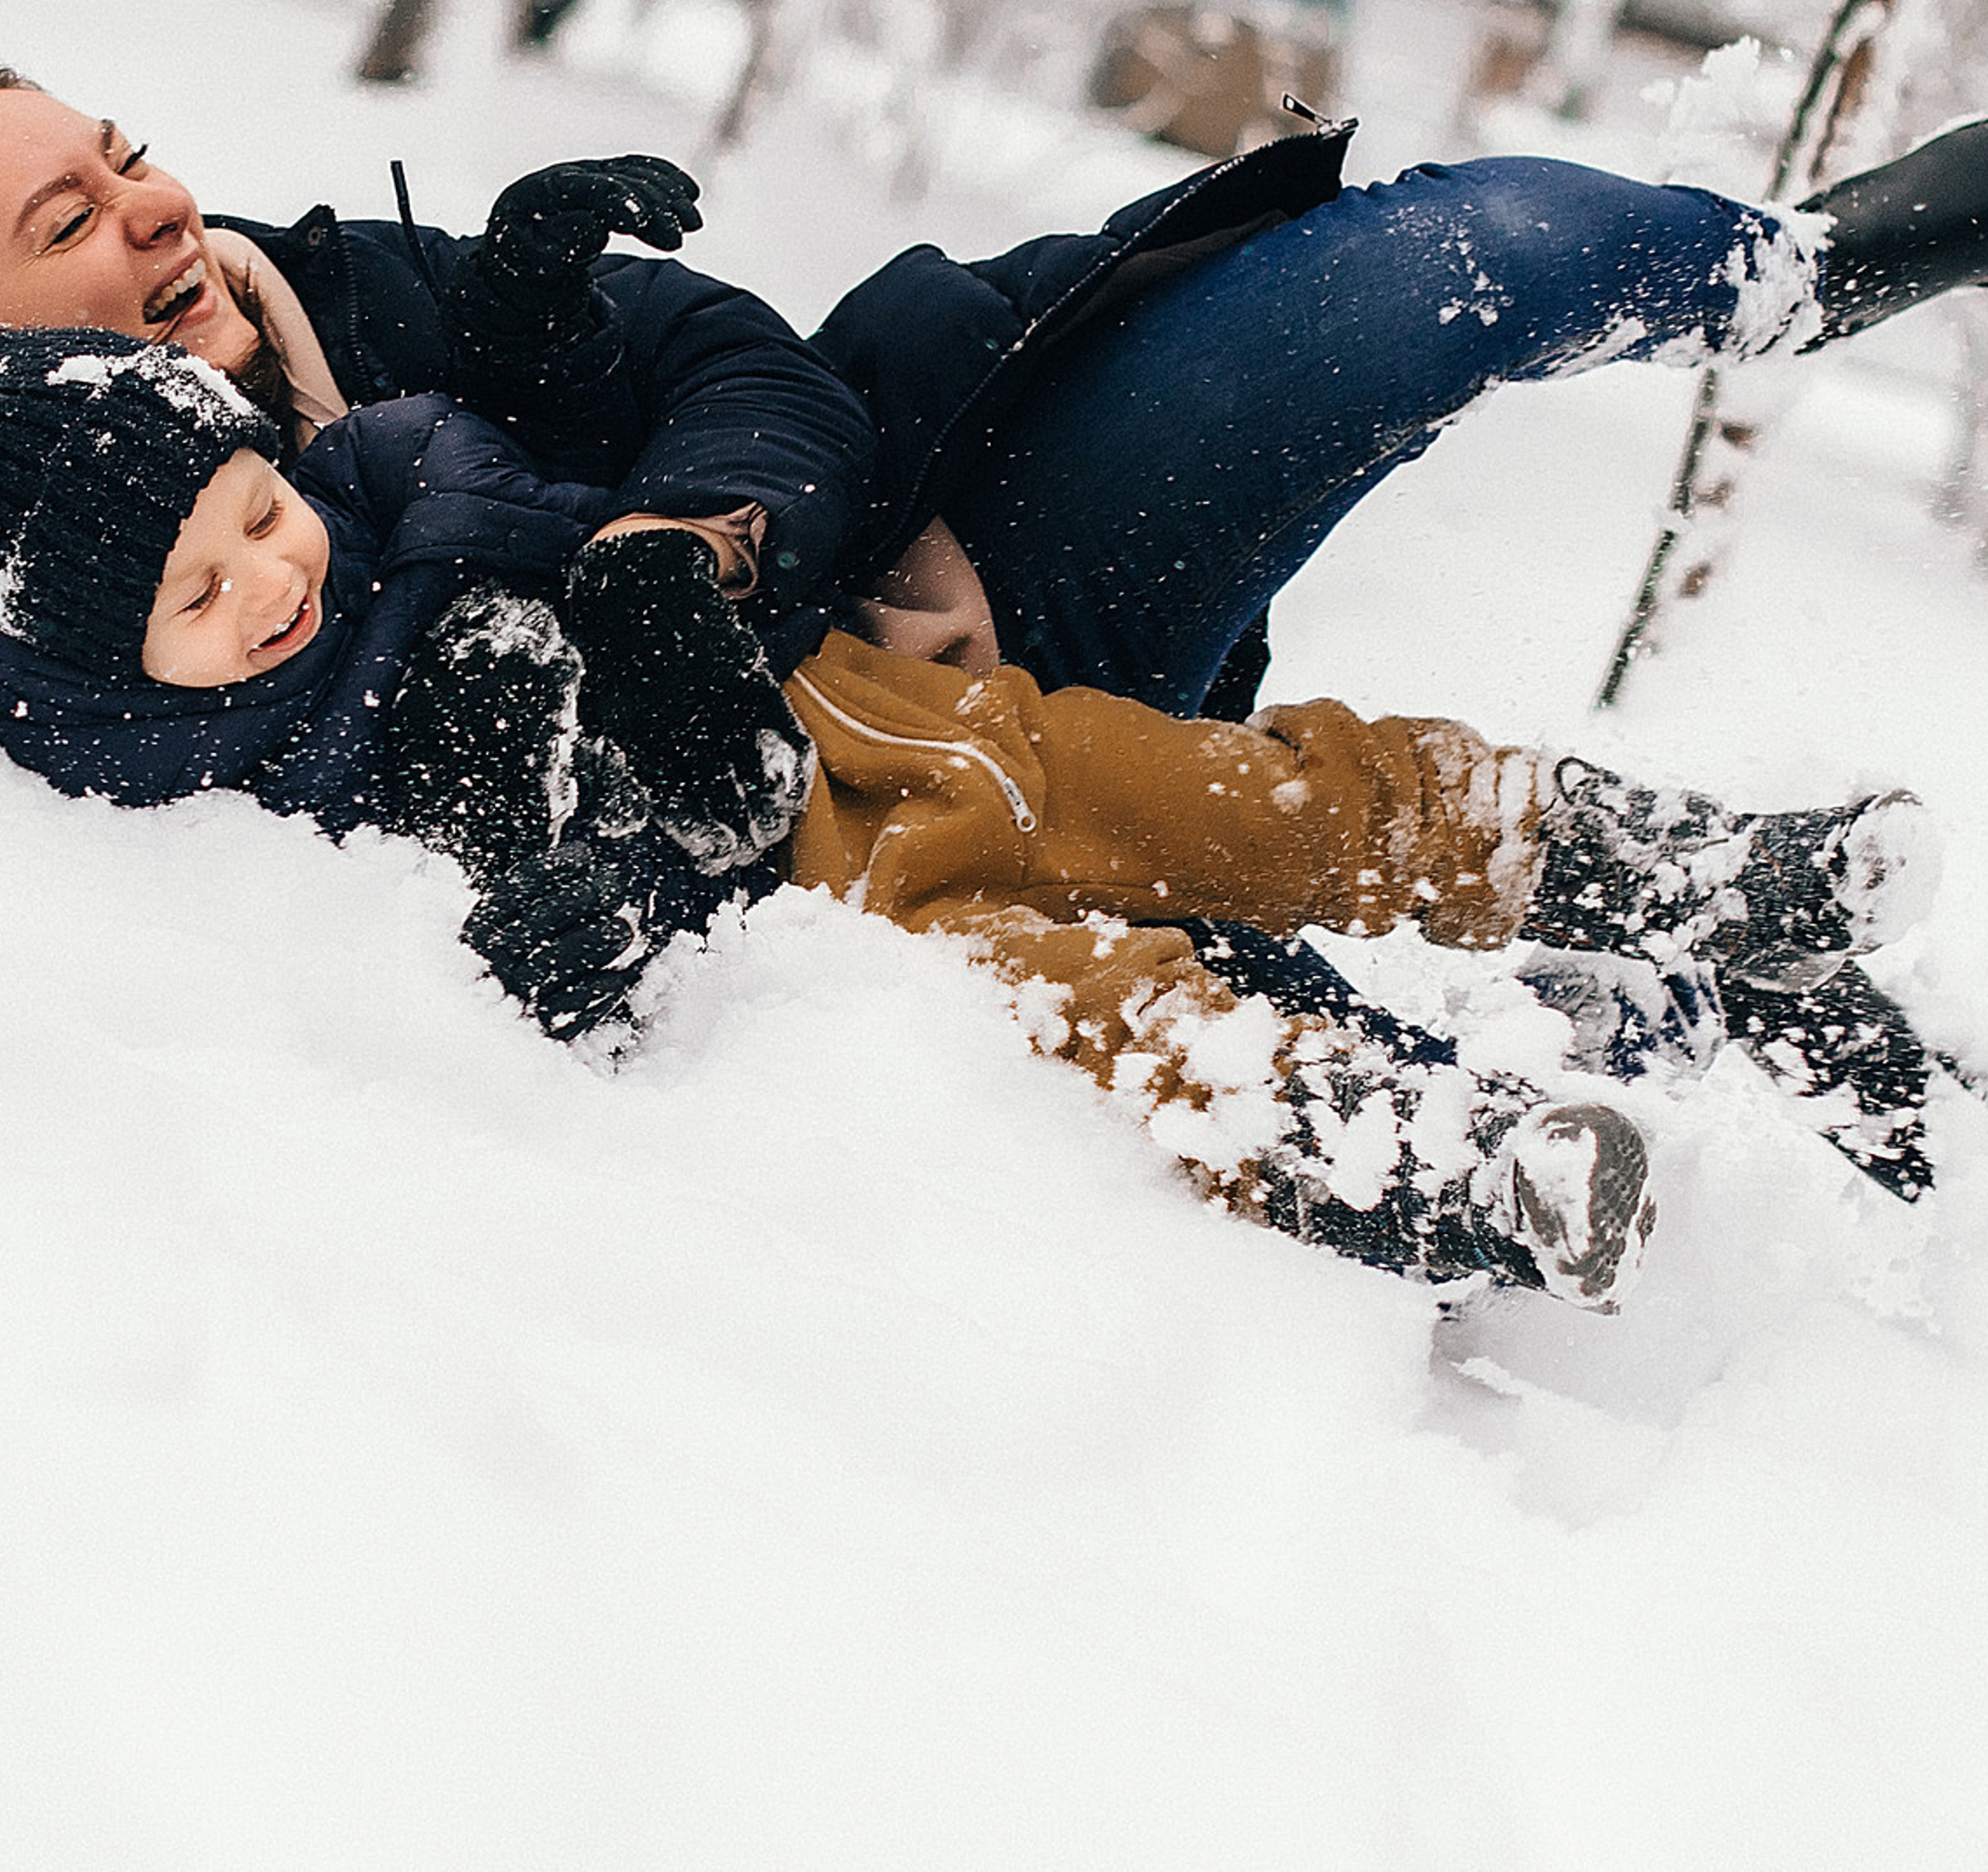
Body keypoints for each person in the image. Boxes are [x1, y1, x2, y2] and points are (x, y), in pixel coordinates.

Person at [0, 326, 1943, 1318]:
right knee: (1095, 1016)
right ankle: (1447, 1166)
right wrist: (572, 920)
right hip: (799, 932)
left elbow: (541, 466)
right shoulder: (222, 812)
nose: (270, 577)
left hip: (865, 718)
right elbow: (404, 999)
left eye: (254, 513)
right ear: (98, 677)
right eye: (198, 596)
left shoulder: (391, 483)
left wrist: (642, 572)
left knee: (1240, 799)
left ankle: (1647, 859)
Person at [3, 66, 1988, 721]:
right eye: (72, 220)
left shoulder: (314, 277)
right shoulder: (73, 623)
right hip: (885, 827)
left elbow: (743, 364)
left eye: (126, 148)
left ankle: (1787, 270)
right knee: (1291, 962)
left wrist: (608, 418)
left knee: (1437, 257)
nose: (159, 205)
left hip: (965, 543)